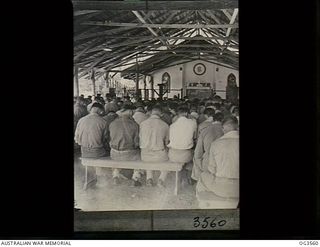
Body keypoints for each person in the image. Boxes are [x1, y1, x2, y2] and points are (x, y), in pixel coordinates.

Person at [196, 116, 239, 208]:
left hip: (222, 188)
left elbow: (212, 169)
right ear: (237, 127)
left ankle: (204, 205)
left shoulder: (216, 144)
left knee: (203, 175)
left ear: (223, 128)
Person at [161, 106, 197, 187]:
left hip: (173, 154)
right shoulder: (192, 123)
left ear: (178, 115)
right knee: (192, 159)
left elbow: (168, 140)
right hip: (186, 155)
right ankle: (186, 179)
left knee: (171, 160)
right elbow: (195, 138)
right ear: (187, 113)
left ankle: (162, 178)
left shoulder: (172, 125)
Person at [109, 103, 141, 186]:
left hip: (114, 152)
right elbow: (136, 143)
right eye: (133, 112)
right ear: (130, 111)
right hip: (129, 153)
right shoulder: (134, 124)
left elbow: (110, 139)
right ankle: (135, 178)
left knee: (114, 155)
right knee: (140, 156)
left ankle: (115, 175)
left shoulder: (112, 123)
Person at [139, 105, 169, 186]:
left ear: (151, 113)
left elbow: (141, 138)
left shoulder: (142, 124)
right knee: (168, 161)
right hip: (159, 155)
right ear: (161, 114)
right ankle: (161, 179)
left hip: (145, 154)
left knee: (148, 160)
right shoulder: (165, 125)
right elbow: (166, 143)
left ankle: (149, 178)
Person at [191, 110, 224, 182]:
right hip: (223, 164)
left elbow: (198, 153)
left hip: (207, 163)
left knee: (196, 159)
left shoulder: (205, 130)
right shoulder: (226, 131)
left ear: (213, 120)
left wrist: (200, 166)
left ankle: (198, 180)